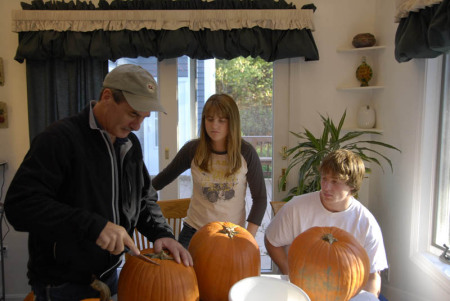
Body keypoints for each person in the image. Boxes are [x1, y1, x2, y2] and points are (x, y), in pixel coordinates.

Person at [4, 64, 192, 301]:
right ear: (107, 97)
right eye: (133, 113)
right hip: (63, 286)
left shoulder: (130, 145)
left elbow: (143, 199)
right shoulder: (59, 139)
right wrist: (94, 226)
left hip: (110, 279)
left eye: (144, 117)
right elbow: (19, 206)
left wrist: (161, 233)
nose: (137, 126)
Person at [264, 149, 388, 300]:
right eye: (324, 179)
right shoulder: (296, 207)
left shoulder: (366, 223)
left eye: (335, 181)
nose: (326, 187)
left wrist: (369, 297)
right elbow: (271, 241)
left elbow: (373, 275)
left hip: (346, 294)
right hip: (299, 292)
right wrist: (289, 272)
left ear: (352, 186)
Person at [152, 93, 267, 249]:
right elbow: (160, 180)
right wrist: (134, 194)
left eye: (221, 120)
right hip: (193, 232)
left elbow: (260, 199)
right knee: (185, 274)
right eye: (210, 119)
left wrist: (248, 239)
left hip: (232, 234)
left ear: (232, 122)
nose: (214, 126)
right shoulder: (192, 150)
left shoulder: (246, 152)